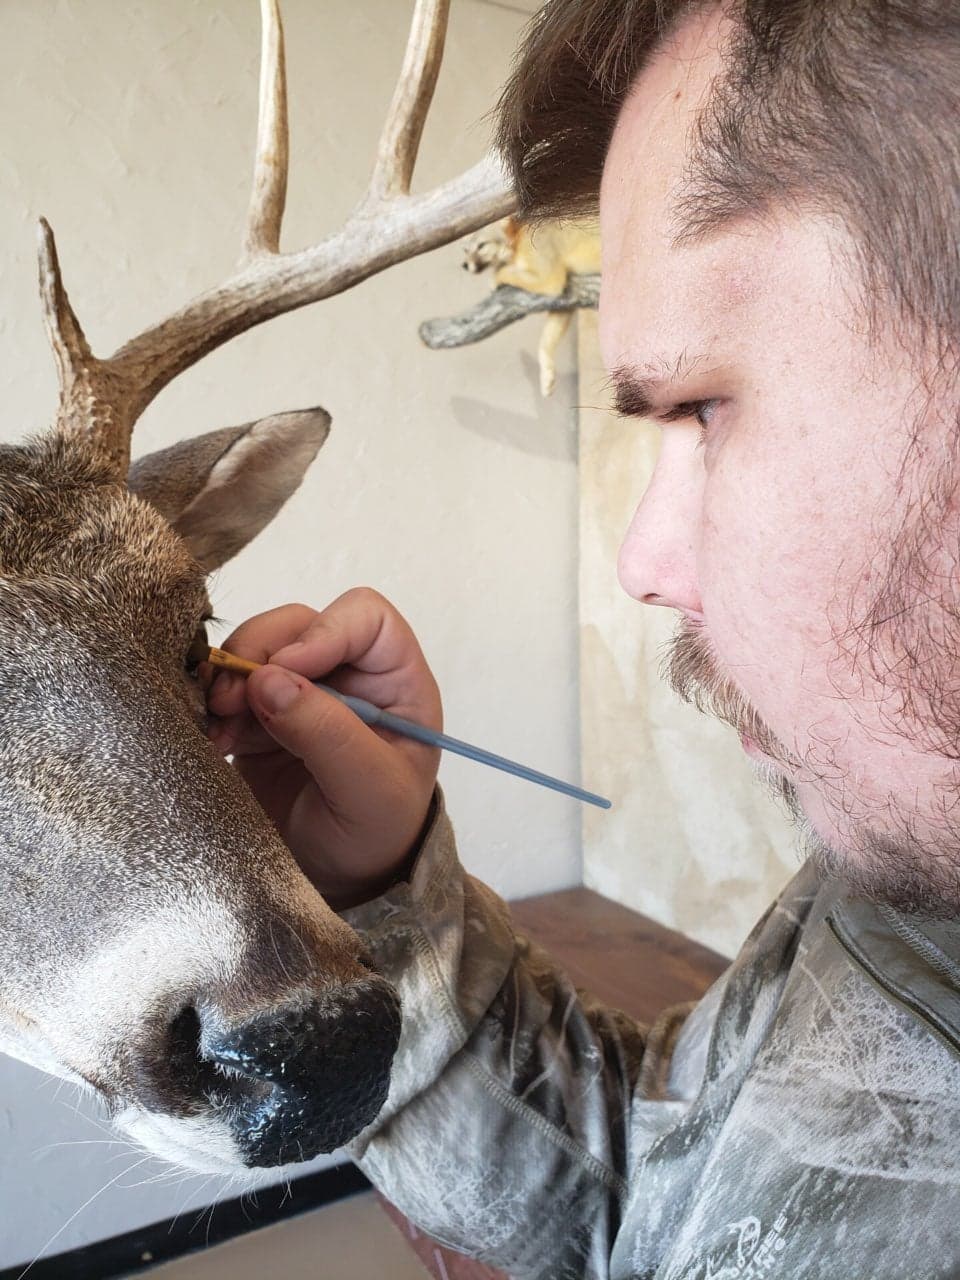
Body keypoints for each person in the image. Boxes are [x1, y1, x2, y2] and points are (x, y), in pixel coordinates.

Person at [205, 1, 960, 1275]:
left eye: (703, 407)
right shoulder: (895, 895)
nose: (645, 561)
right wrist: (385, 891)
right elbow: (646, 1185)